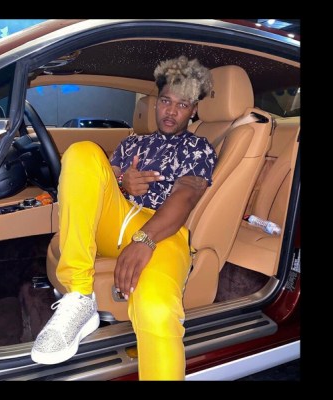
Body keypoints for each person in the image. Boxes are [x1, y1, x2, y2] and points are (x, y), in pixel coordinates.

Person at [31, 56, 217, 380]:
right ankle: (79, 296)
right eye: (166, 101)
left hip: (163, 230)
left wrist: (144, 239)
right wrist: (121, 181)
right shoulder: (132, 142)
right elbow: (96, 183)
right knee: (82, 152)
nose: (171, 111)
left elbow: (186, 196)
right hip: (116, 219)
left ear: (193, 110)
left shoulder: (198, 148)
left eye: (182, 105)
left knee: (157, 310)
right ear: (156, 102)